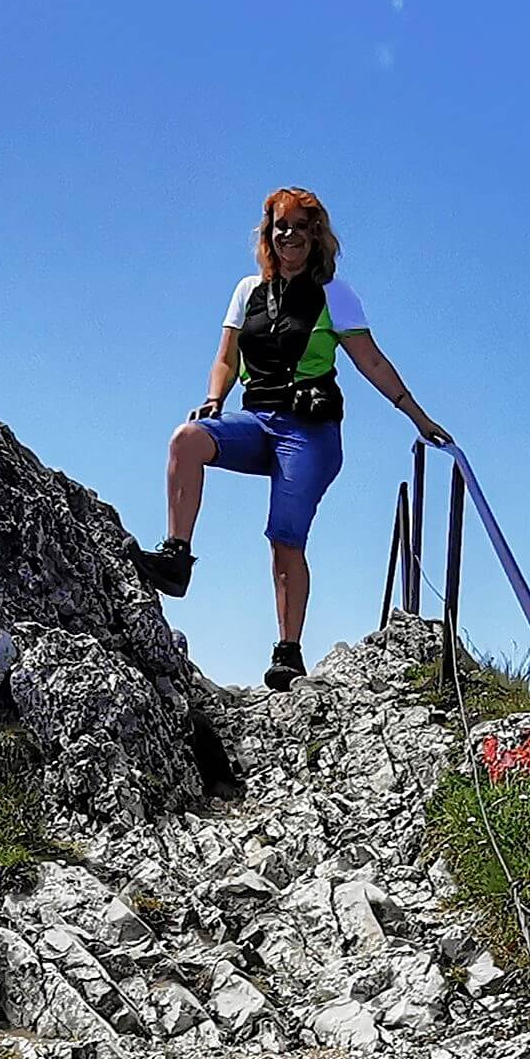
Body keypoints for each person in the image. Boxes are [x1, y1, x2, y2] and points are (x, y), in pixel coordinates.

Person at [135, 187, 449, 691]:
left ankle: (288, 651)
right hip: (257, 421)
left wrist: (417, 416)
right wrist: (215, 399)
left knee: (284, 537)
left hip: (310, 432)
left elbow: (370, 361)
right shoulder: (247, 291)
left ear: (317, 236)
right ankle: (177, 559)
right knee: (187, 440)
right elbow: (225, 358)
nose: (289, 237)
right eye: (281, 227)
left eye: (301, 228)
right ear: (268, 235)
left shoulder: (335, 295)